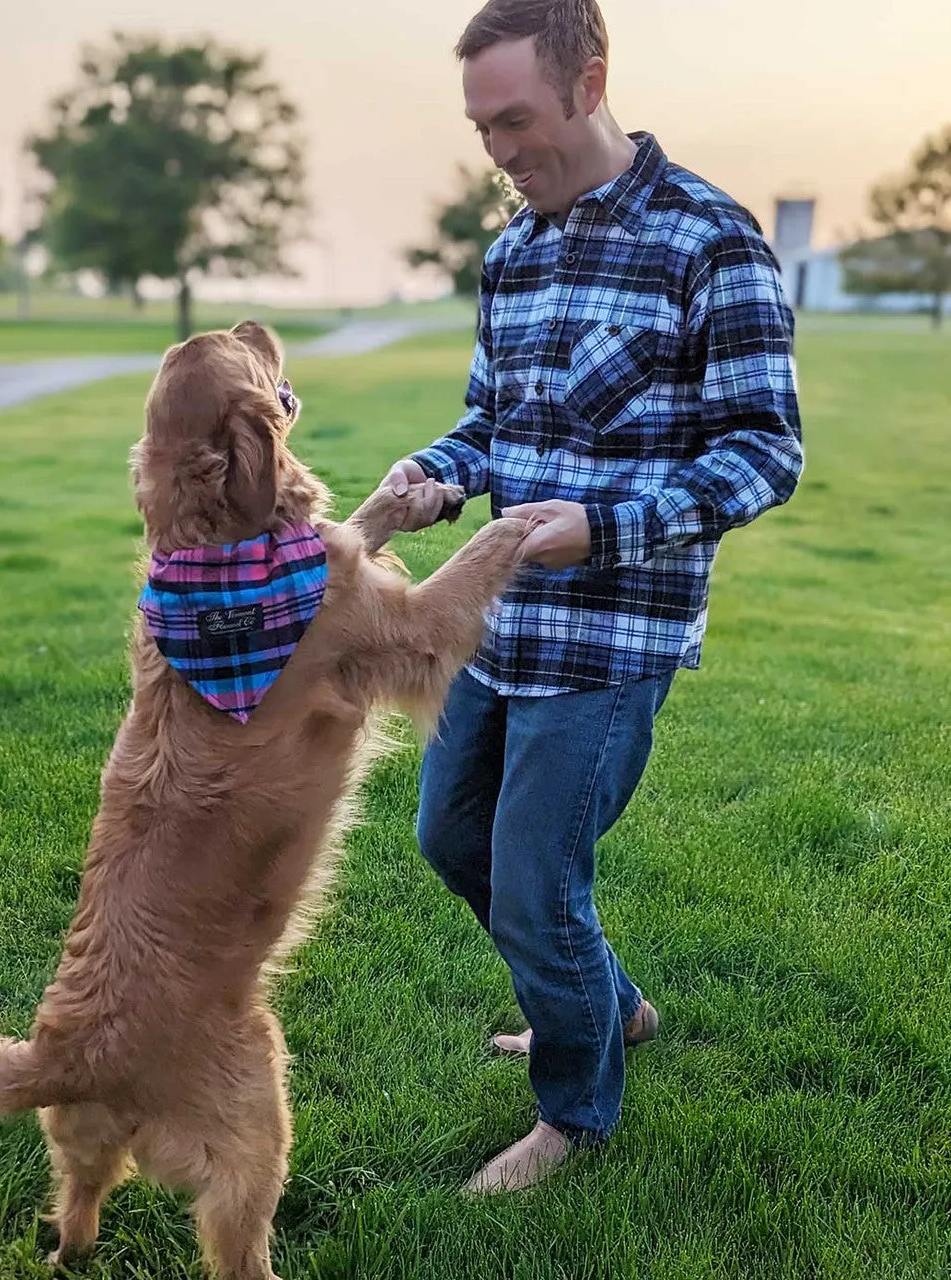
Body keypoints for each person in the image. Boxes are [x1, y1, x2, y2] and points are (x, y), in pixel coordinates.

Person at [379, 0, 803, 1193]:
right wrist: (438, 474)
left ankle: (573, 1110)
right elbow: (494, 419)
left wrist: (603, 527)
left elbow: (765, 448)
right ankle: (608, 1007)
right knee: (449, 836)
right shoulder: (511, 252)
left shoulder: (708, 241)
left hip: (612, 638)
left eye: (513, 117)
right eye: (479, 127)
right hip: (494, 627)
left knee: (533, 879)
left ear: (589, 80)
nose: (498, 149)